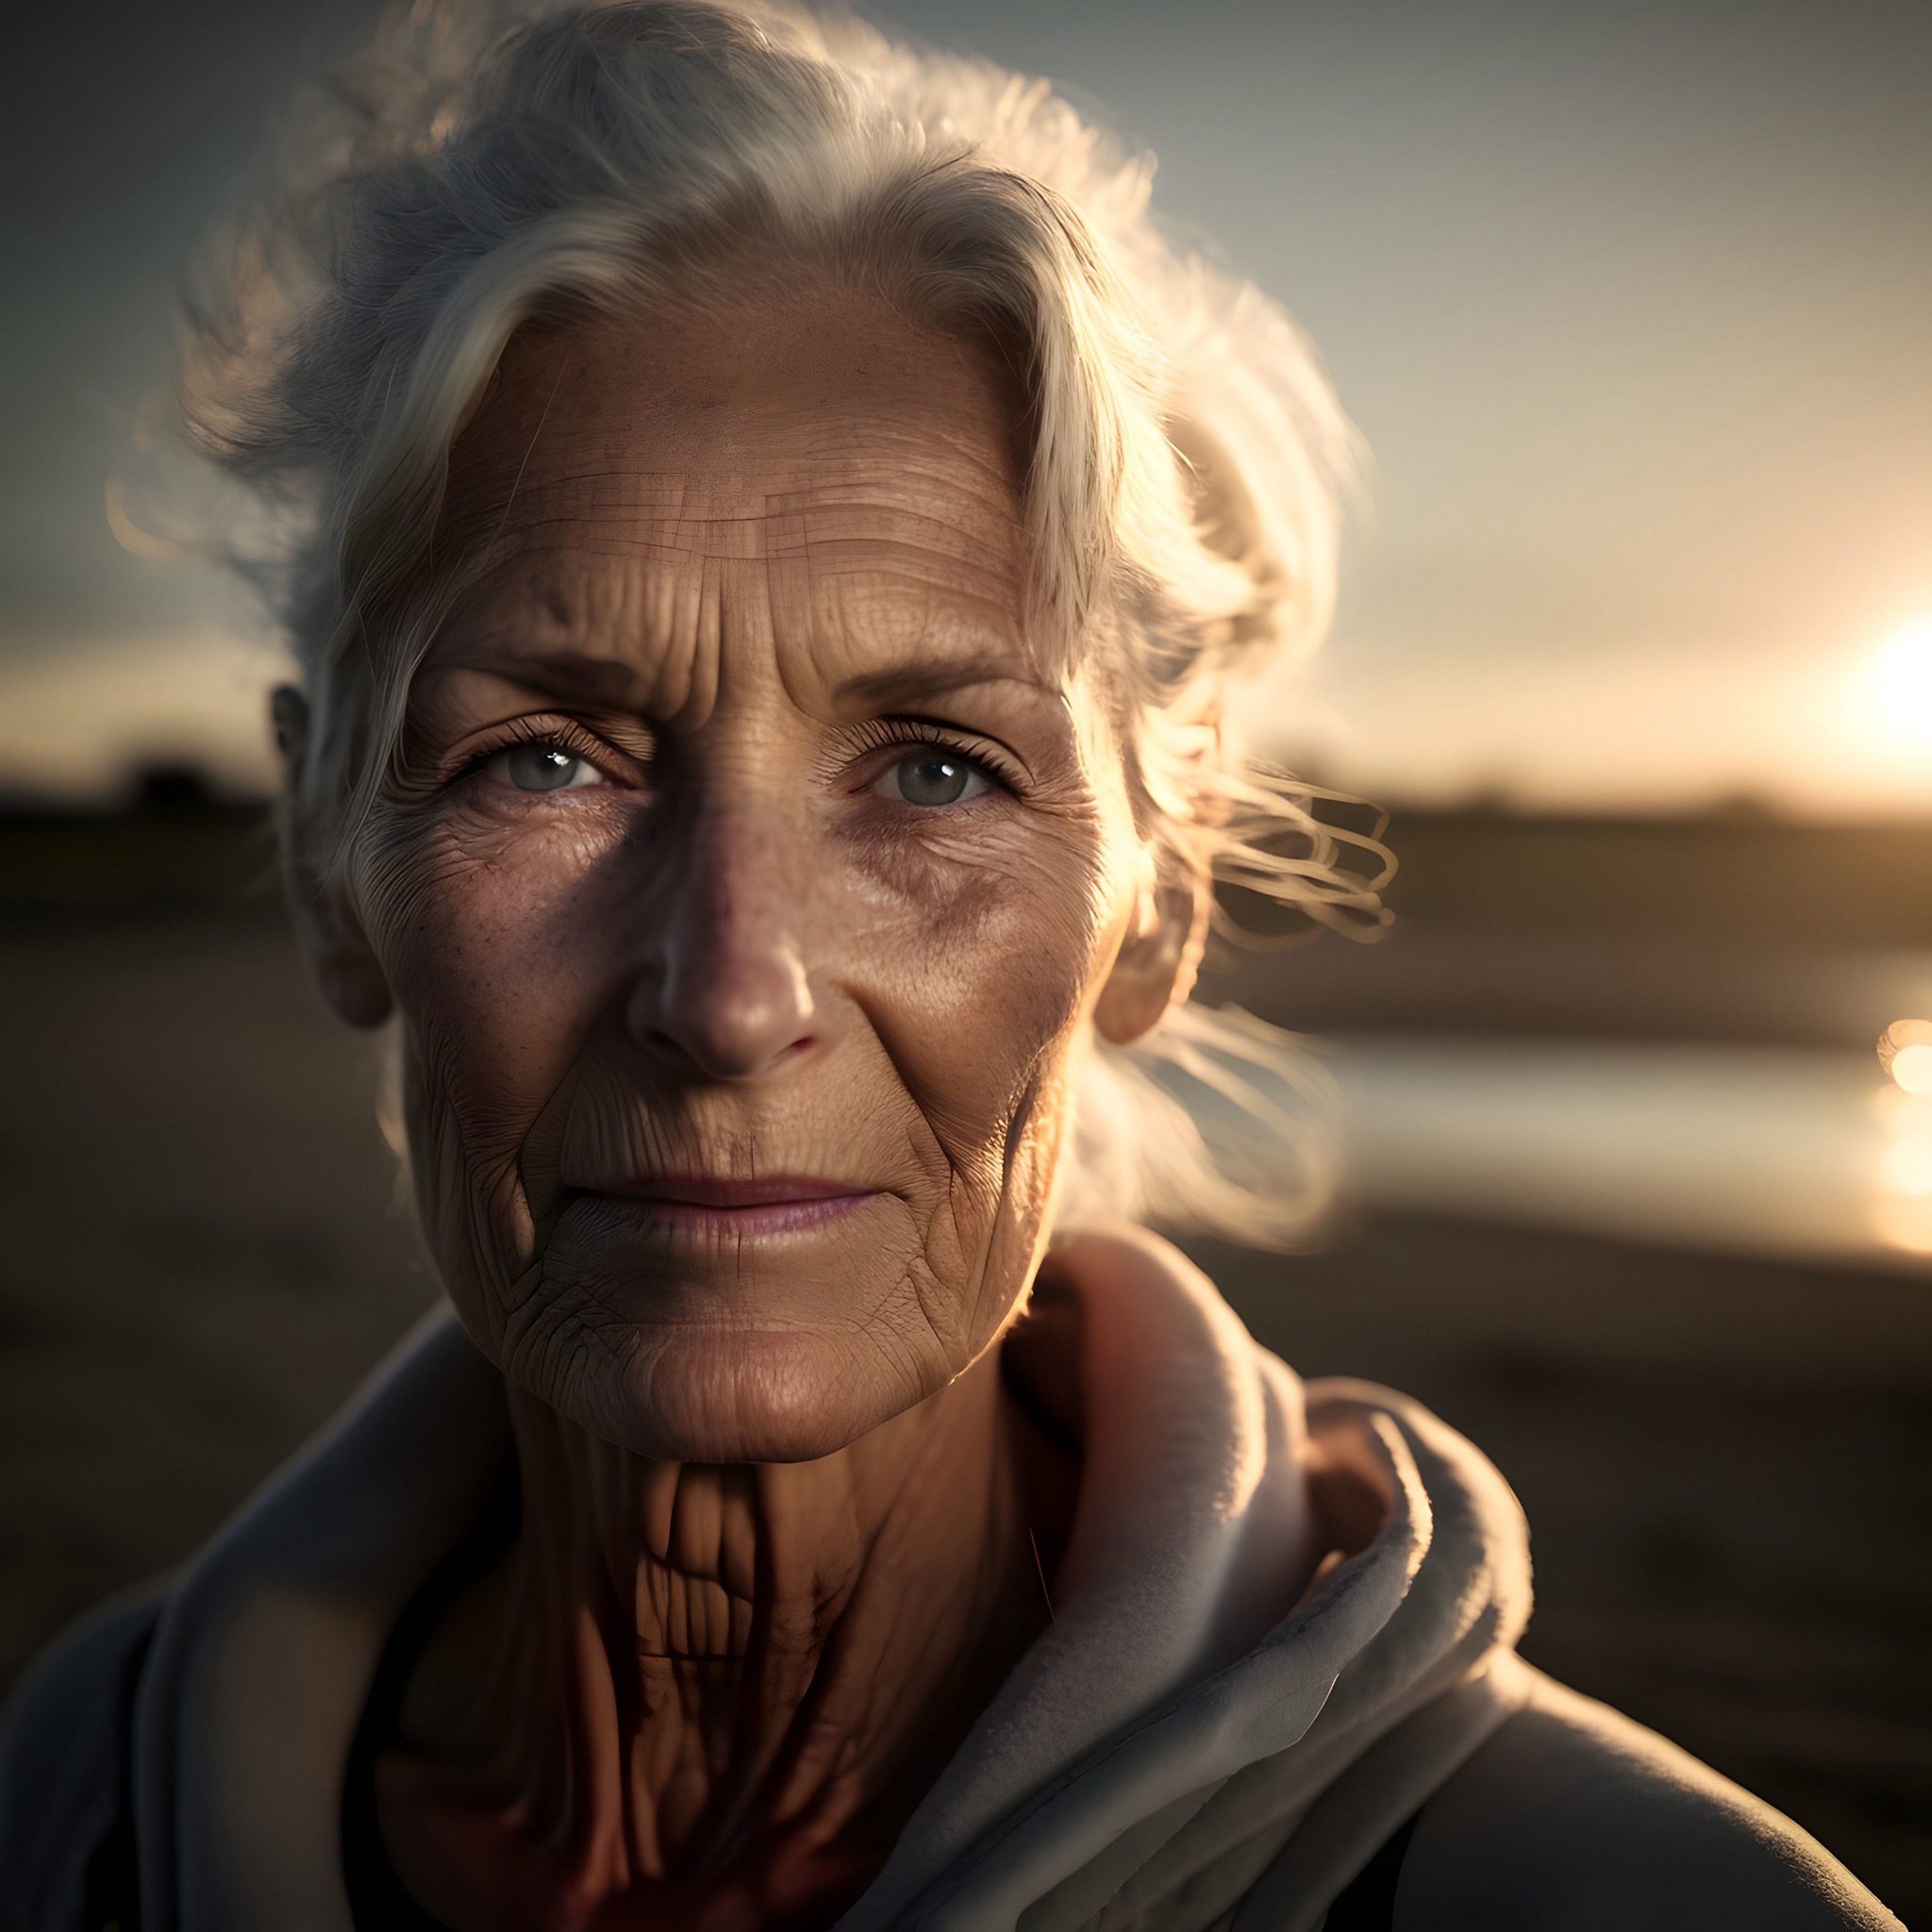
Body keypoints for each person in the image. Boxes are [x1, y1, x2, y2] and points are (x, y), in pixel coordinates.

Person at [0, 4, 1904, 1926]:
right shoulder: (77, 1798)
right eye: (546, 761)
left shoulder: (1627, 1902)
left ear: (1155, 892)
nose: (731, 995)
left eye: (934, 770)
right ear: (332, 860)